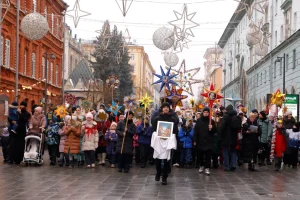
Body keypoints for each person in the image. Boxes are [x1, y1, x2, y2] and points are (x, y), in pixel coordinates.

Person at [152, 102, 179, 185]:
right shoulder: (157, 118)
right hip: (159, 141)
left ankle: (164, 177)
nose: (166, 108)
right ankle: (158, 172)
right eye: (164, 107)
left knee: (167, 160)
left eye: (167, 107)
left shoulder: (173, 119)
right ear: (162, 109)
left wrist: (172, 135)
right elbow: (154, 129)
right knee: (158, 159)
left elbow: (175, 130)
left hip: (168, 141)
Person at [194, 107, 216, 175]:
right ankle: (201, 166)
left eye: (207, 112)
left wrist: (212, 128)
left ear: (209, 113)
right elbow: (196, 131)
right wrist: (195, 140)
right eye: (204, 112)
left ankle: (207, 167)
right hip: (200, 140)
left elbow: (215, 131)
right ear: (202, 113)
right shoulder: (199, 121)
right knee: (200, 155)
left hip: (208, 140)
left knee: (208, 155)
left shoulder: (211, 121)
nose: (206, 113)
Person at [220, 105, 240, 172]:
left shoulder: (225, 116)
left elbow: (222, 127)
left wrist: (220, 134)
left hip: (226, 137)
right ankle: (233, 165)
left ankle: (227, 166)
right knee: (233, 151)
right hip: (234, 137)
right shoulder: (236, 117)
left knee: (225, 151)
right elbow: (239, 127)